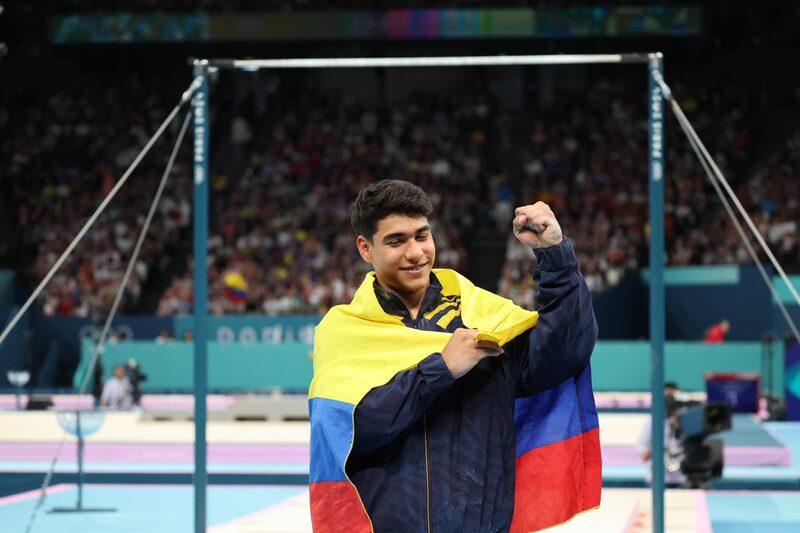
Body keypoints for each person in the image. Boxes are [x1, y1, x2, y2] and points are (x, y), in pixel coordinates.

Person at [308, 180, 599, 532]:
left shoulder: (483, 318)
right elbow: (352, 430)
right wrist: (440, 369)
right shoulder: (345, 331)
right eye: (396, 241)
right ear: (366, 249)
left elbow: (566, 351)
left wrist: (555, 255)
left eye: (422, 236)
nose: (415, 253)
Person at [637, 382, 688, 487]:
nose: (670, 402)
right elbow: (644, 453)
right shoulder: (653, 421)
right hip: (657, 478)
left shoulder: (685, 421)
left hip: (681, 478)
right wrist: (658, 447)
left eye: (672, 398)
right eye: (667, 398)